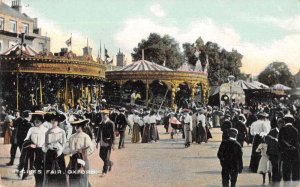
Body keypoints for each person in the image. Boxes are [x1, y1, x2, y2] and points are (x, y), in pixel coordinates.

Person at [65, 118, 95, 187]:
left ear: (81, 127)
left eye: (78, 126)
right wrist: (70, 151)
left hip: (82, 159)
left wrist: (83, 151)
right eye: (75, 126)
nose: (76, 128)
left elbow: (91, 148)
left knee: (83, 179)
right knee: (73, 179)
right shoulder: (72, 137)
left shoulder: (85, 136)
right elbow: (68, 148)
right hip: (73, 160)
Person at [22, 111, 48, 186]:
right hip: (34, 153)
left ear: (42, 120)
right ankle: (38, 184)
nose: (36, 121)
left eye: (38, 119)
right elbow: (25, 141)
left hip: (44, 152)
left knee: (44, 171)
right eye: (35, 119)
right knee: (36, 170)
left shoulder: (46, 130)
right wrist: (30, 144)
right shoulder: (31, 129)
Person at [43, 111, 67, 187]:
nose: (53, 122)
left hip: (59, 155)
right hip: (50, 154)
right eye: (52, 120)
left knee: (60, 172)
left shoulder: (62, 132)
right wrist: (49, 148)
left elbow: (64, 144)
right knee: (49, 172)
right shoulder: (47, 132)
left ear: (58, 122)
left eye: (55, 120)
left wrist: (59, 151)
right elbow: (46, 144)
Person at [278, 113, 300, 186]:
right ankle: (295, 183)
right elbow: (297, 142)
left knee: (286, 169)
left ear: (284, 121)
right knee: (295, 169)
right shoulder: (295, 130)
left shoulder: (282, 129)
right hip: (295, 153)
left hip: (285, 153)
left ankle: (287, 183)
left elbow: (280, 142)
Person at [96, 109, 115, 177]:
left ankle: (104, 172)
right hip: (102, 142)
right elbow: (98, 133)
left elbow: (113, 134)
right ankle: (110, 163)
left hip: (108, 142)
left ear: (107, 115)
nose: (102, 116)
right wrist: (97, 142)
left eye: (104, 115)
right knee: (101, 155)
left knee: (106, 157)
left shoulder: (111, 123)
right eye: (102, 115)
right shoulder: (101, 123)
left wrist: (113, 143)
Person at [265, 118, 283, 186]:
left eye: (283, 124)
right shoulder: (272, 131)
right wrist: (274, 139)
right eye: (280, 123)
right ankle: (275, 183)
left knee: (280, 170)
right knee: (275, 169)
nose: (281, 125)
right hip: (273, 154)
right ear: (278, 124)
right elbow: (267, 139)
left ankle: (276, 182)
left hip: (281, 154)